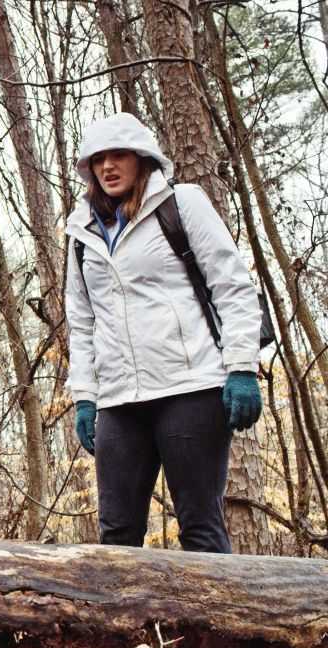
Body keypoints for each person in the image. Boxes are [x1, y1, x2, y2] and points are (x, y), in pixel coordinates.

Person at [65, 112, 263, 553]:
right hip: (119, 400)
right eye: (99, 159)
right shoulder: (80, 233)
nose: (108, 167)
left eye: (119, 155)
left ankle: (211, 624)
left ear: (142, 159)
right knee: (116, 535)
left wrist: (242, 368)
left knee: (199, 525)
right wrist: (84, 396)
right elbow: (81, 320)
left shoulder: (182, 204)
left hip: (189, 388)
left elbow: (232, 286)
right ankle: (124, 624)